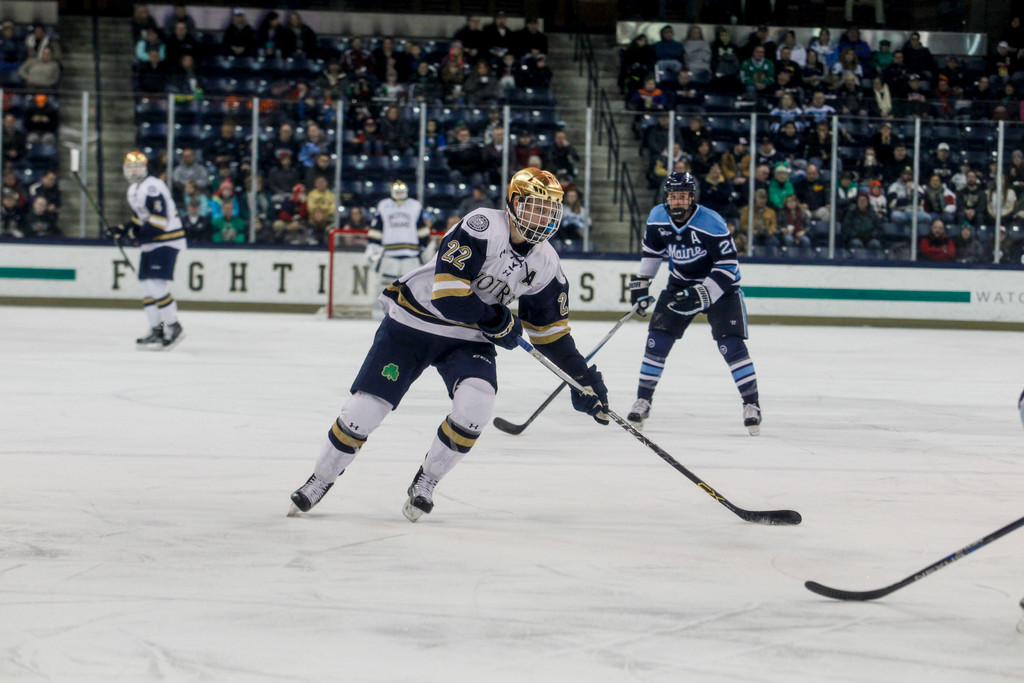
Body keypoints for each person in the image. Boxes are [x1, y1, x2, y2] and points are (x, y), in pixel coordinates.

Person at [288, 168, 609, 520]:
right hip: (413, 323)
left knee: (477, 407)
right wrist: (497, 320)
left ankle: (427, 481)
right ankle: (320, 479)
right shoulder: (483, 225)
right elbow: (448, 294)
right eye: (536, 207)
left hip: (468, 338)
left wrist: (581, 379)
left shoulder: (547, 262)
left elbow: (551, 335)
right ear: (514, 203)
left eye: (551, 210)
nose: (544, 217)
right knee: (365, 410)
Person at [626, 172, 761, 435]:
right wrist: (642, 284)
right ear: (667, 197)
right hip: (680, 284)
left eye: (683, 196)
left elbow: (728, 265)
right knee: (657, 340)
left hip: (722, 288)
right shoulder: (657, 217)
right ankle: (643, 400)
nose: (677, 202)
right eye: (673, 196)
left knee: (730, 344)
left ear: (692, 197)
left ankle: (751, 404)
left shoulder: (711, 222)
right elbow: (653, 253)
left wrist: (704, 293)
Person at [107, 152, 186, 350]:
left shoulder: (152, 186)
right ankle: (157, 329)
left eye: (138, 166)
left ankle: (173, 326)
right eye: (131, 167)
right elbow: (141, 218)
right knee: (146, 287)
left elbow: (159, 221)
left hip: (166, 240)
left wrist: (137, 237)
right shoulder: (134, 190)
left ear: (145, 168)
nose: (134, 170)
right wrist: (124, 229)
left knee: (156, 285)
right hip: (152, 242)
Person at [364, 180, 430, 299]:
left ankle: (410, 314)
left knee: (411, 287)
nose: (399, 194)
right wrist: (372, 245)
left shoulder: (415, 205)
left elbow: (421, 228)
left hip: (411, 253)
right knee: (386, 285)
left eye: (402, 192)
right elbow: (377, 228)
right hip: (389, 253)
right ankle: (381, 313)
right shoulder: (383, 205)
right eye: (397, 192)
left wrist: (423, 246)